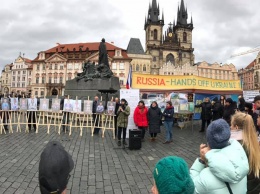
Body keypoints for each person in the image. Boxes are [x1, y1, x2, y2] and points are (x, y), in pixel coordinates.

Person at [190, 119, 249, 194]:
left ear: (209, 143)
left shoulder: (205, 177)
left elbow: (191, 188)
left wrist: (201, 160)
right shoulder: (241, 163)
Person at [230, 112, 260, 194]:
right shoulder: (253, 141)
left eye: (231, 125)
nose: (230, 127)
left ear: (236, 127)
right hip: (255, 186)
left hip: (244, 187)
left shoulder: (237, 146)